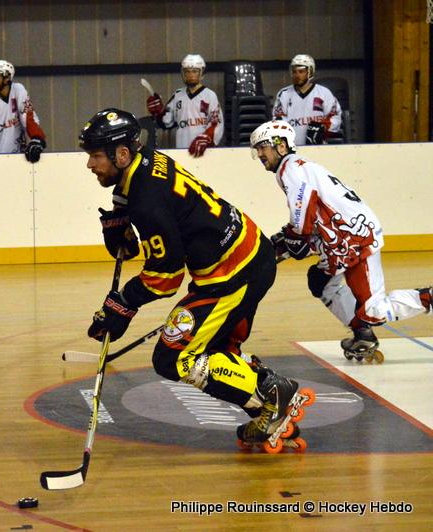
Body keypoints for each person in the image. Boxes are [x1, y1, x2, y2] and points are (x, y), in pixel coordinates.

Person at [80, 108, 313, 450]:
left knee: (173, 357)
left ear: (122, 153)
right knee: (214, 350)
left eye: (96, 156)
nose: (90, 165)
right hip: (244, 256)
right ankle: (268, 405)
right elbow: (139, 194)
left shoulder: (147, 200)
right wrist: (118, 216)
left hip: (234, 273)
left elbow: (166, 277)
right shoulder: (145, 161)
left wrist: (123, 303)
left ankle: (274, 393)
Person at [249, 120, 432, 362]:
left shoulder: (290, 168)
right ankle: (362, 333)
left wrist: (296, 236)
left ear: (281, 146)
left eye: (263, 147)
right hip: (343, 240)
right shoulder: (296, 166)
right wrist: (294, 235)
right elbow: (312, 212)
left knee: (375, 310)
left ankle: (427, 298)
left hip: (355, 240)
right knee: (321, 282)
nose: (260, 153)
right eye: (257, 149)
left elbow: (303, 207)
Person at [145, 54, 224, 157]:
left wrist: (206, 138)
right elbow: (166, 122)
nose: (191, 75)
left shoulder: (209, 95)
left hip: (205, 152)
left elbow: (216, 123)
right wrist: (158, 112)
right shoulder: (177, 95)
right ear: (183, 73)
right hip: (181, 152)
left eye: (195, 71)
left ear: (202, 73)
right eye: (187, 71)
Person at [272, 54, 342, 145]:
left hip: (319, 148)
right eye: (294, 72)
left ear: (310, 72)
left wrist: (324, 127)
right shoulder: (284, 94)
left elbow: (335, 117)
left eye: (301, 72)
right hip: (292, 150)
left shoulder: (324, 93)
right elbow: (277, 121)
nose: (297, 75)